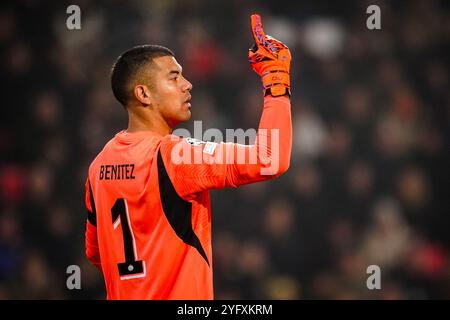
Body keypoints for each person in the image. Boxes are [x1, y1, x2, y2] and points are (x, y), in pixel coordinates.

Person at [84, 14, 293, 299]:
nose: (188, 84)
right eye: (174, 77)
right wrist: (276, 83)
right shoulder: (175, 156)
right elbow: (270, 158)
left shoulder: (98, 167)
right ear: (144, 93)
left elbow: (97, 252)